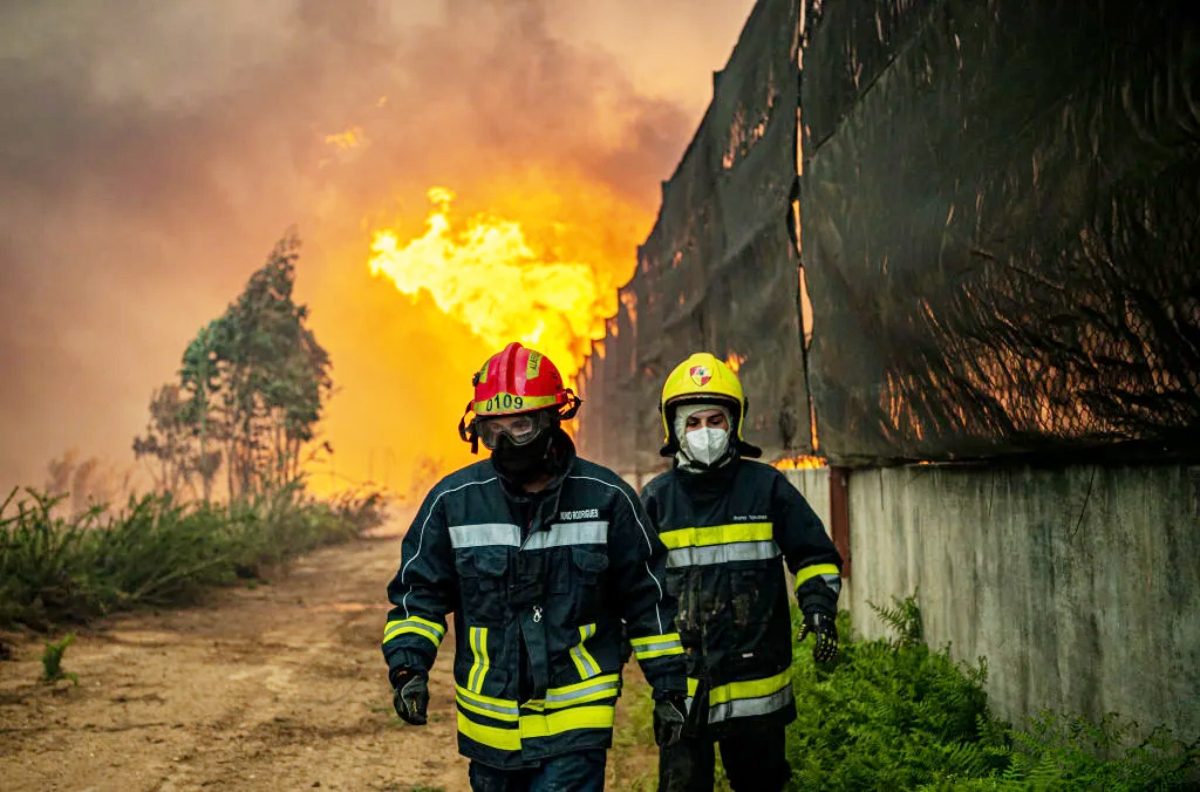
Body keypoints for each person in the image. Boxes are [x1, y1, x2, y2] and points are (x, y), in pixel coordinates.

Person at [382, 341, 689, 791]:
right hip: (490, 730)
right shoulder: (453, 502)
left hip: (575, 726)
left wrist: (669, 687)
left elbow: (649, 601)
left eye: (521, 425)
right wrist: (409, 669)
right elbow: (418, 597)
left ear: (551, 421)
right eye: (494, 430)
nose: (507, 442)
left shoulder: (606, 499)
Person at [641, 352, 843, 792]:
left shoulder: (767, 488)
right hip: (684, 687)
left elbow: (814, 556)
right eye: (693, 423)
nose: (705, 433)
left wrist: (819, 606)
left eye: (715, 420)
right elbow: (634, 587)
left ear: (734, 424)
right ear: (674, 429)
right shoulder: (655, 500)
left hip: (757, 684)